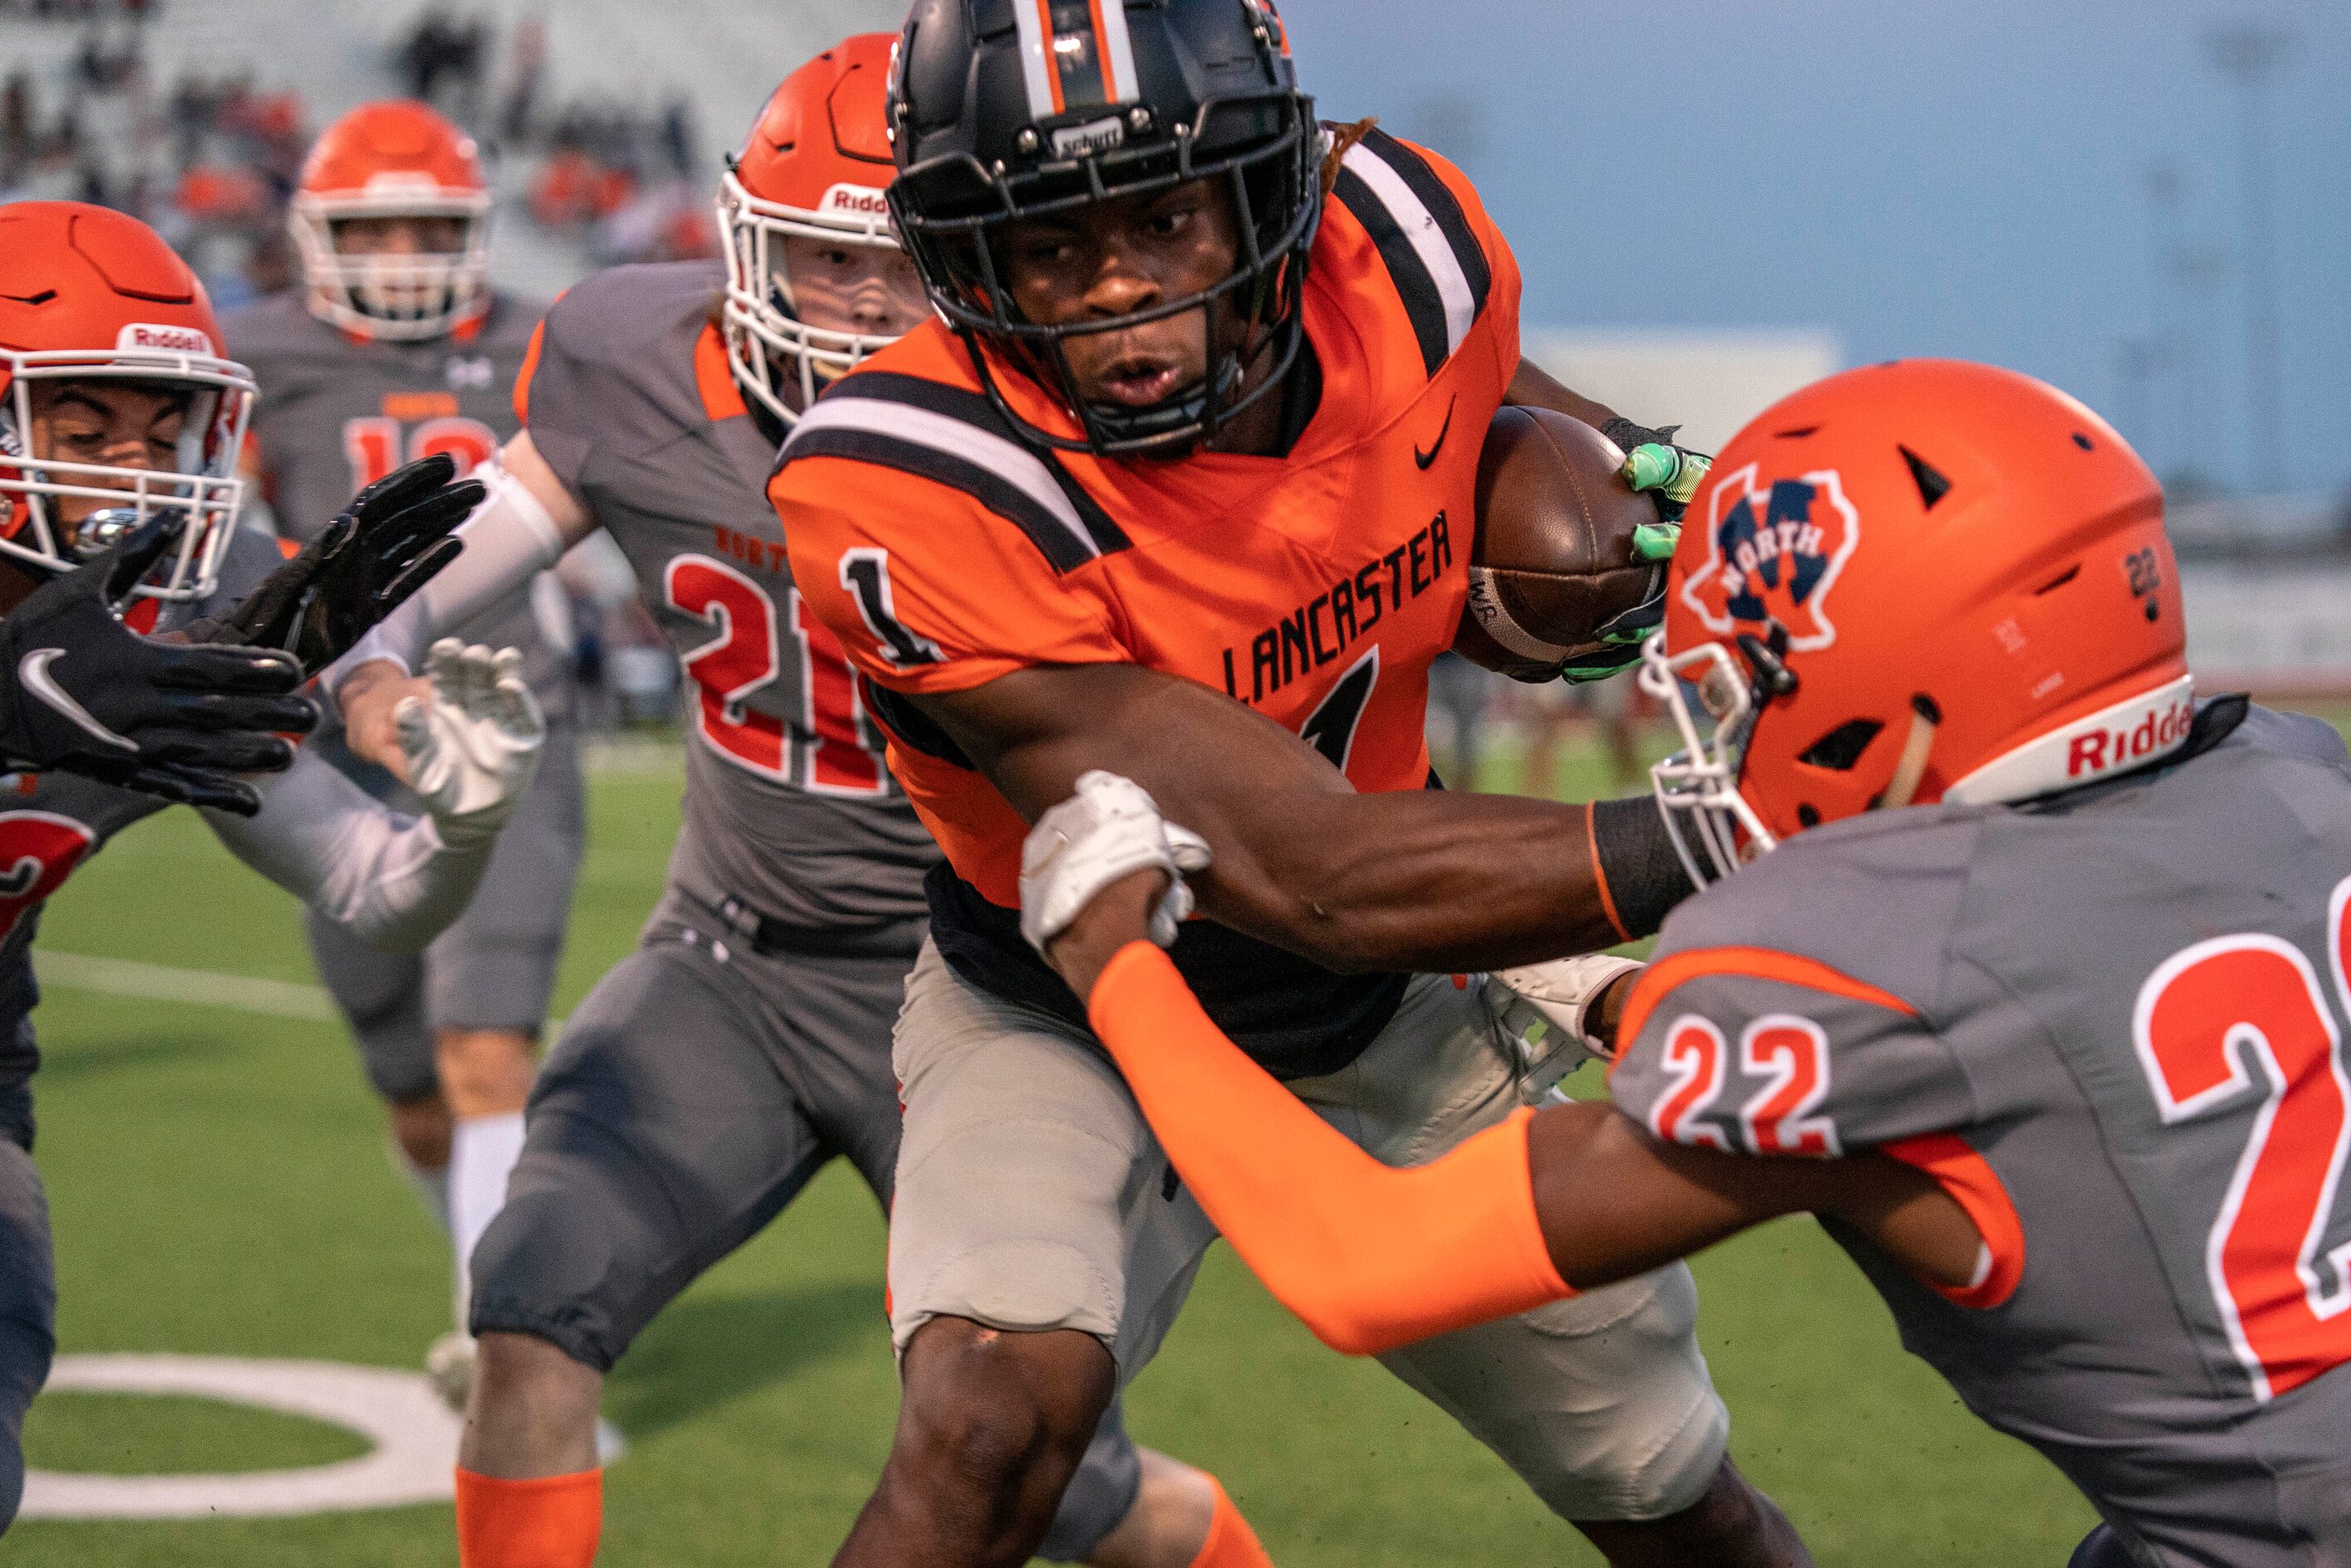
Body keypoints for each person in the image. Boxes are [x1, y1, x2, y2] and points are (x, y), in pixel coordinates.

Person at [769, 3, 1797, 1565]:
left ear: (1266, 192)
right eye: (1048, 245)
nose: (1114, 285)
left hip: (1392, 1000)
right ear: (969, 264)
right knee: (982, 1423)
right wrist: (1723, 822)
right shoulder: (912, 486)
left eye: (1163, 217)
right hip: (1076, 996)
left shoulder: (1413, 254)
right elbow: (1303, 865)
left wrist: (1630, 494)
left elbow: (1470, 411)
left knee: (1672, 1507)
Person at [1039, 359, 2351, 1568]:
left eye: (1738, 689)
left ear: (1878, 687)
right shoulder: (2293, 779)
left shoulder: (1885, 953)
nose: (1721, 724)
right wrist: (1608, 987)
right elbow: (2063, 1047)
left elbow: (1363, 1263)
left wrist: (1119, 963)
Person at [329, 38, 1260, 1568]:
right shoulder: (641, 363)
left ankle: (1202, 1538)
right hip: (735, 959)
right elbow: (452, 551)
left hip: (989, 993)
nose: (853, 310)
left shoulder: (1079, 426)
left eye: (894, 268)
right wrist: (375, 674)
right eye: (820, 262)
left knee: (1050, 1477)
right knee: (527, 1305)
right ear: (745, 245)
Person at [0, 199, 545, 1535]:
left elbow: (368, 882)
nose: (141, 471)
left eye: (164, 428)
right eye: (87, 431)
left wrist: (463, 822)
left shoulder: (162, 629)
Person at [225, 98, 583, 1397]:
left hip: (504, 719)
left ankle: (502, 1351)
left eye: (428, 226)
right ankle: (479, 1277)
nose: (400, 254)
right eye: (371, 228)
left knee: (487, 1044)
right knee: (411, 1090)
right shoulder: (254, 350)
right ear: (318, 237)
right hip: (334, 743)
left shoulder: (548, 343)